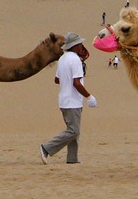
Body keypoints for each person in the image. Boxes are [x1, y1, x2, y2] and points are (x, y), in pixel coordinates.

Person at [40, 32, 97, 164]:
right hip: (72, 101)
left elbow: (57, 80)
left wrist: (67, 81)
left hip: (64, 99)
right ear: (75, 46)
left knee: (74, 129)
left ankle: (72, 158)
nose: (82, 46)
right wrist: (89, 96)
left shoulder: (62, 59)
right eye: (80, 44)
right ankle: (46, 148)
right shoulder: (75, 60)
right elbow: (76, 83)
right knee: (73, 130)